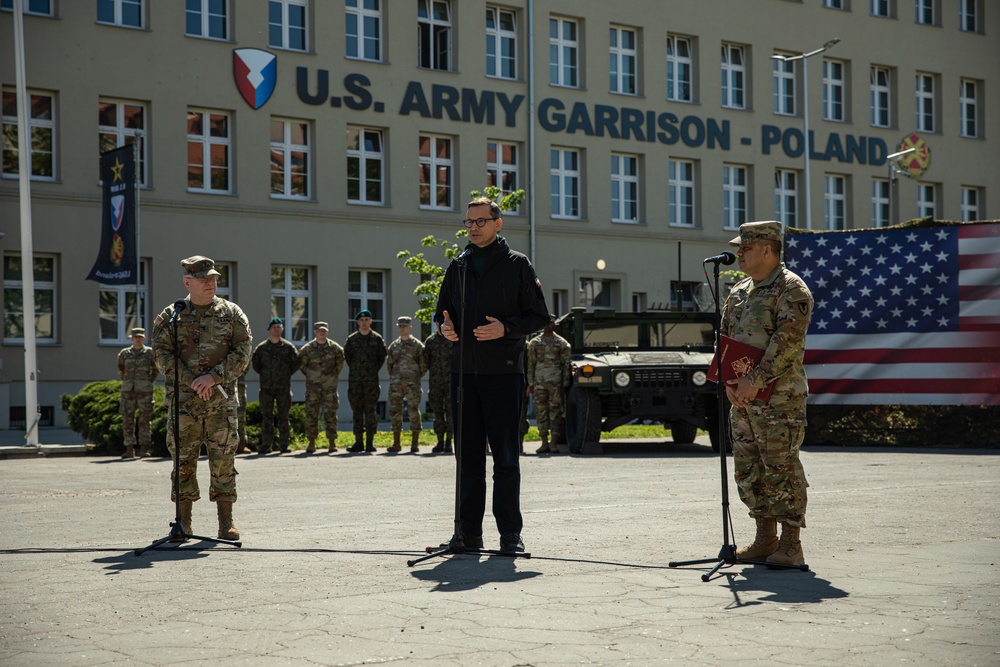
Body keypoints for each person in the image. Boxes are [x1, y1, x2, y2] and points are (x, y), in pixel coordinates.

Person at [435, 196, 550, 553]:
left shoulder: (518, 265)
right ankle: (467, 533)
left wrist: (506, 328)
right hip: (464, 374)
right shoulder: (459, 264)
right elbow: (442, 311)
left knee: (505, 458)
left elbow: (539, 317)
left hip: (502, 374)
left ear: (498, 224)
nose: (472, 227)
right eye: (468, 222)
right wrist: (444, 326)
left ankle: (509, 534)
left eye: (480, 221)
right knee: (466, 457)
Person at [721, 220, 814, 566]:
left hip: (780, 400)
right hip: (743, 399)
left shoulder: (791, 290)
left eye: (745, 248)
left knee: (780, 467)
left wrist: (754, 380)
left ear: (767, 249)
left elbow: (787, 345)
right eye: (738, 248)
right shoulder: (740, 291)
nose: (739, 254)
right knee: (749, 468)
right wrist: (730, 383)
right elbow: (727, 340)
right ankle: (764, 539)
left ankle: (791, 544)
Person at [150, 255, 251, 541]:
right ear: (187, 282)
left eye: (214, 278)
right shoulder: (172, 316)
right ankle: (183, 523)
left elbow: (243, 352)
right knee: (183, 461)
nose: (211, 283)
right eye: (204, 278)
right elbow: (160, 354)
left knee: (223, 460)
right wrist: (192, 380)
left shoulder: (232, 313)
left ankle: (225, 523)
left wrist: (213, 377)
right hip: (184, 402)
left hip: (220, 400)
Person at [251, 317, 300, 455]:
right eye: (274, 327)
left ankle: (284, 445)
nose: (276, 329)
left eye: (279, 327)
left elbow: (296, 363)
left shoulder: (288, 347)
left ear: (282, 329)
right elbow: (256, 365)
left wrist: (285, 374)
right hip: (266, 387)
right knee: (267, 417)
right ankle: (266, 445)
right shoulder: (261, 348)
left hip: (283, 387)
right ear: (269, 330)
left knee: (283, 416)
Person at [526, 316, 571, 454]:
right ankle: (544, 442)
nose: (547, 325)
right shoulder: (535, 343)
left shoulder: (562, 343)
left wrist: (565, 383)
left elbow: (566, 365)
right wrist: (530, 383)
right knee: (541, 412)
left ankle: (554, 442)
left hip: (555, 383)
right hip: (539, 383)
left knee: (555, 412)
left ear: (554, 324)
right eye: (545, 323)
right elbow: (531, 365)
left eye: (550, 323)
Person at [343, 309, 387, 453]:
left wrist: (371, 370)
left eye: (366, 320)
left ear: (370, 321)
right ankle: (358, 442)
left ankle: (369, 442)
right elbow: (348, 357)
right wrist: (358, 370)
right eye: (361, 320)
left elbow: (381, 357)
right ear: (357, 322)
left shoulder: (377, 339)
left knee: (370, 411)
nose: (364, 322)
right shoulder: (351, 340)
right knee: (357, 412)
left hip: (371, 382)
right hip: (355, 381)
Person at [298, 321, 345, 454]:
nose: (322, 332)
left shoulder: (335, 348)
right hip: (313, 387)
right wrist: (312, 375)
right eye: (319, 330)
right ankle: (311, 442)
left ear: (327, 332)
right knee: (311, 414)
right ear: (315, 332)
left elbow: (339, 364)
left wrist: (331, 377)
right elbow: (302, 365)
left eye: (324, 330)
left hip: (329, 387)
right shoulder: (307, 349)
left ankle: (332, 442)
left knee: (331, 414)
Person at [386, 316, 428, 453]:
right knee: (395, 411)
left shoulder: (417, 346)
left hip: (412, 383)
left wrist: (414, 377)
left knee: (413, 411)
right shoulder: (394, 346)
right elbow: (390, 365)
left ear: (410, 327)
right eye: (400, 326)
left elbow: (423, 365)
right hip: (396, 384)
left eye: (405, 326)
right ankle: (396, 443)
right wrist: (396, 378)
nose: (402, 328)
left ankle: (414, 443)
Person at [116, 327, 158, 459]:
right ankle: (129, 449)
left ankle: (144, 449)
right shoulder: (124, 353)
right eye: (135, 337)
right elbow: (121, 369)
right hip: (128, 390)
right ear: (131, 339)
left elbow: (155, 370)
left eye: (140, 337)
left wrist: (147, 382)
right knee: (127, 419)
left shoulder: (150, 353)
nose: (138, 339)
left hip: (144, 390)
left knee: (145, 419)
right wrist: (128, 382)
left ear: (144, 338)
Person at [422, 328, 454, 453]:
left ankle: (449, 442)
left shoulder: (453, 339)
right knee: (438, 413)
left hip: (451, 382)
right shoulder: (430, 341)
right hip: (435, 383)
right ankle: (440, 441)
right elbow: (426, 360)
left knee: (451, 412)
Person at [235, 370, 250, 454]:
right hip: (225, 382)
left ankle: (242, 444)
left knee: (241, 415)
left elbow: (245, 363)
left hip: (239, 383)